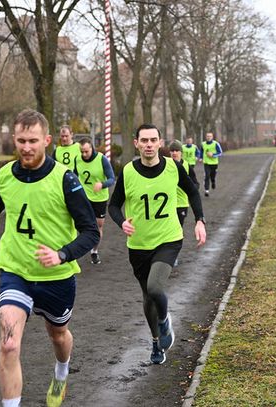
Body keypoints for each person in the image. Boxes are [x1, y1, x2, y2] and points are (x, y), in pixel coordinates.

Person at [0, 109, 100, 407]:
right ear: (14, 139)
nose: (26, 147)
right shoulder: (4, 175)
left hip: (56, 277)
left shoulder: (65, 180)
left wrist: (62, 254)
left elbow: (90, 232)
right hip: (16, 270)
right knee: (8, 345)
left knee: (58, 335)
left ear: (46, 140)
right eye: (21, 140)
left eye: (33, 140)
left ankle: (61, 372)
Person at [108, 124, 206, 365]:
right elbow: (113, 205)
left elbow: (193, 192)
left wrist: (199, 221)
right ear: (137, 143)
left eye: (153, 140)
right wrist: (122, 223)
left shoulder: (173, 167)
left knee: (154, 287)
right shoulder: (128, 172)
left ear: (160, 142)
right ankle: (155, 343)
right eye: (144, 140)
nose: (149, 144)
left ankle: (165, 323)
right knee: (147, 296)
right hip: (139, 244)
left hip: (168, 239)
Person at [74, 137, 115, 265]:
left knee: (98, 227)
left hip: (99, 198)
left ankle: (94, 251)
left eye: (86, 151)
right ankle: (76, 250)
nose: (84, 154)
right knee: (80, 225)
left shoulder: (102, 159)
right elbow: (75, 175)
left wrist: (102, 185)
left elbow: (112, 179)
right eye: (82, 151)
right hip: (84, 197)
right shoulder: (77, 159)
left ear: (92, 148)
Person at [199, 132, 223, 197]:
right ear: (206, 137)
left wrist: (213, 155)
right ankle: (206, 190)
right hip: (206, 163)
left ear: (212, 137)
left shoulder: (216, 144)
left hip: (214, 163)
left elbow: (220, 153)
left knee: (212, 175)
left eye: (210, 136)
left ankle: (213, 181)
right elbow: (201, 151)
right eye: (207, 136)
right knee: (207, 175)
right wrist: (200, 158)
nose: (208, 137)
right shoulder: (203, 144)